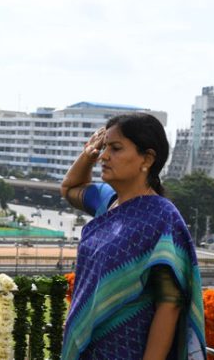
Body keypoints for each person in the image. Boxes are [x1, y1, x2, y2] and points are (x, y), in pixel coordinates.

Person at [60, 113, 206, 360]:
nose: (104, 156)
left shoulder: (162, 218)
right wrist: (88, 154)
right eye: (104, 147)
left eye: (115, 148)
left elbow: (169, 303)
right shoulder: (108, 202)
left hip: (126, 349)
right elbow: (69, 188)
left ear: (147, 158)